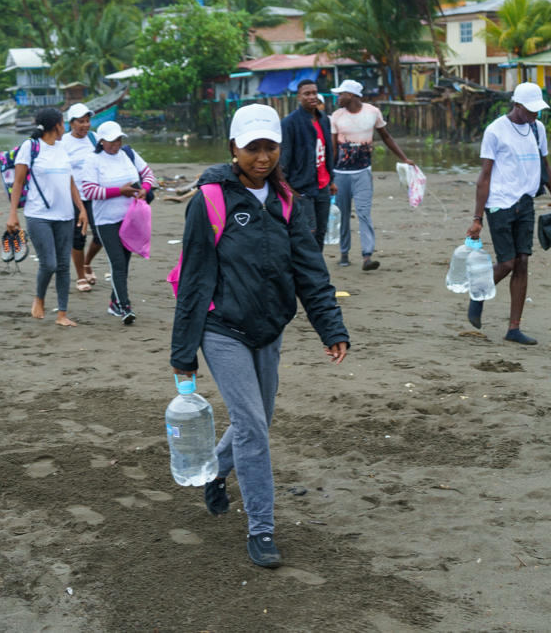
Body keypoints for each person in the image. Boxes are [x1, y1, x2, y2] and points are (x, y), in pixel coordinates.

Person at [170, 104, 350, 568]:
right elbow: (192, 280)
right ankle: (261, 528)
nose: (263, 157)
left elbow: (310, 270)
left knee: (259, 420)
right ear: (234, 148)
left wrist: (330, 325)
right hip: (221, 328)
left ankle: (215, 472)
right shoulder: (209, 201)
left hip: (269, 329)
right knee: (252, 426)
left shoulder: (289, 201)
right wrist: (183, 352)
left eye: (270, 147)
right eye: (253, 148)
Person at [466, 82, 551, 345]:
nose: (535, 114)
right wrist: (477, 218)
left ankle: (513, 328)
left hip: (525, 203)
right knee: (507, 262)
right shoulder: (495, 131)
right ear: (517, 105)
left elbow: (546, 165)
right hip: (499, 204)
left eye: (538, 110)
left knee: (523, 261)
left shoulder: (537, 128)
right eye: (530, 109)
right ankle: (478, 293)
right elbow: (484, 176)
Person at [5, 108, 88, 327]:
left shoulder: (62, 149)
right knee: (49, 264)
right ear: (56, 126)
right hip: (38, 215)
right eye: (64, 123)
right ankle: (39, 298)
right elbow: (18, 182)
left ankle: (62, 314)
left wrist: (81, 208)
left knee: (63, 266)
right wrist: (13, 214)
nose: (66, 127)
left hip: (66, 216)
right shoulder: (30, 148)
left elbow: (70, 182)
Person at [329, 79, 415, 271]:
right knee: (343, 214)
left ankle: (367, 256)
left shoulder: (372, 112)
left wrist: (404, 158)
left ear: (350, 95)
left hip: (363, 174)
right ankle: (344, 253)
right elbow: (333, 148)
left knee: (363, 213)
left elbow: (386, 137)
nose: (337, 98)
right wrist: (328, 175)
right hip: (340, 174)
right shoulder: (335, 116)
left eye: (340, 94)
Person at [80, 121, 156, 325]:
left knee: (124, 263)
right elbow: (89, 191)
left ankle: (114, 303)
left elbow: (148, 174)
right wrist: (119, 191)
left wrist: (145, 189)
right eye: (112, 140)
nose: (117, 143)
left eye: (119, 139)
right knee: (118, 263)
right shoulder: (93, 160)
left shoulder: (128, 154)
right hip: (106, 220)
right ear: (102, 141)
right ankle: (125, 307)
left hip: (130, 218)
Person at [279, 79, 336, 249]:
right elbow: (284, 157)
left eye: (314, 93)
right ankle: (307, 269)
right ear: (299, 97)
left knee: (321, 231)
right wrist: (286, 186)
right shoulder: (290, 123)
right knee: (307, 232)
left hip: (323, 185)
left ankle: (316, 269)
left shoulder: (323, 119)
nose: (312, 97)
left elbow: (327, 151)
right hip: (301, 187)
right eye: (307, 94)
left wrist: (331, 179)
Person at [59, 103, 101, 292]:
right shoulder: (63, 143)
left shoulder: (95, 139)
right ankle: (80, 276)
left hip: (96, 194)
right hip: (74, 197)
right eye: (81, 121)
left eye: (87, 121)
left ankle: (86, 262)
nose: (85, 125)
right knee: (79, 237)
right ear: (71, 123)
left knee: (101, 235)